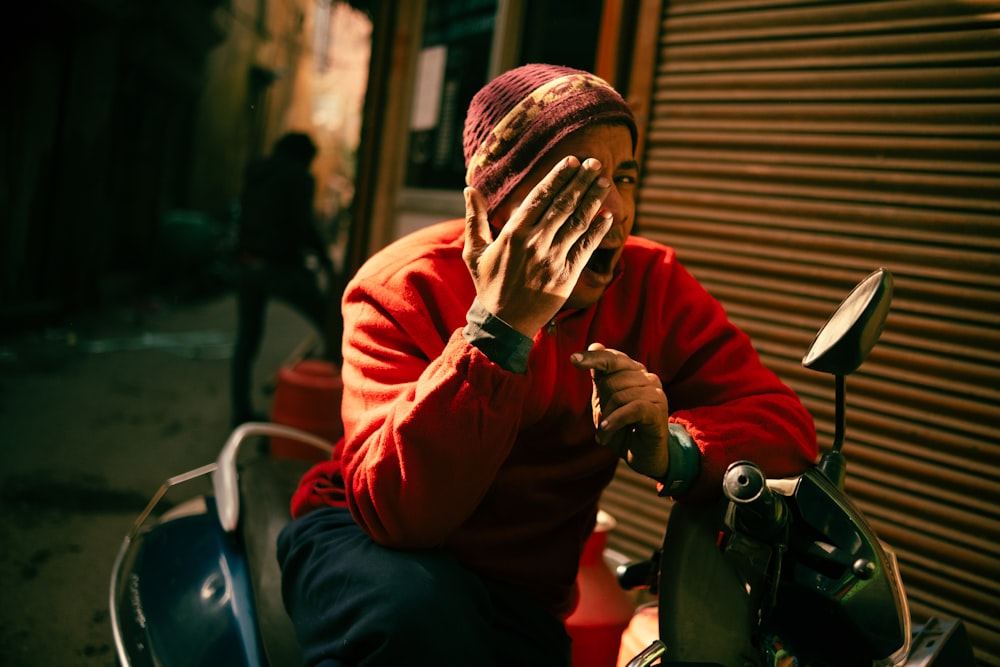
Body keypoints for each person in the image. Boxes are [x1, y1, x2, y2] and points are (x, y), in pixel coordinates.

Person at [277, 64, 818, 666]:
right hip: (368, 553)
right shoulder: (401, 287)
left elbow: (784, 425)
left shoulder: (652, 286)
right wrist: (499, 329)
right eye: (579, 184)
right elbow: (399, 517)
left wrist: (676, 448)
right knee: (416, 619)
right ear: (494, 207)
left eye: (625, 177)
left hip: (524, 594)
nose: (612, 208)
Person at [230, 132, 342, 426]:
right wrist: (325, 259)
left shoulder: (256, 171)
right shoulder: (299, 178)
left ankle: (239, 412)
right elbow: (302, 223)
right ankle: (335, 404)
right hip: (279, 268)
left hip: (246, 263)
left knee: (246, 340)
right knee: (331, 321)